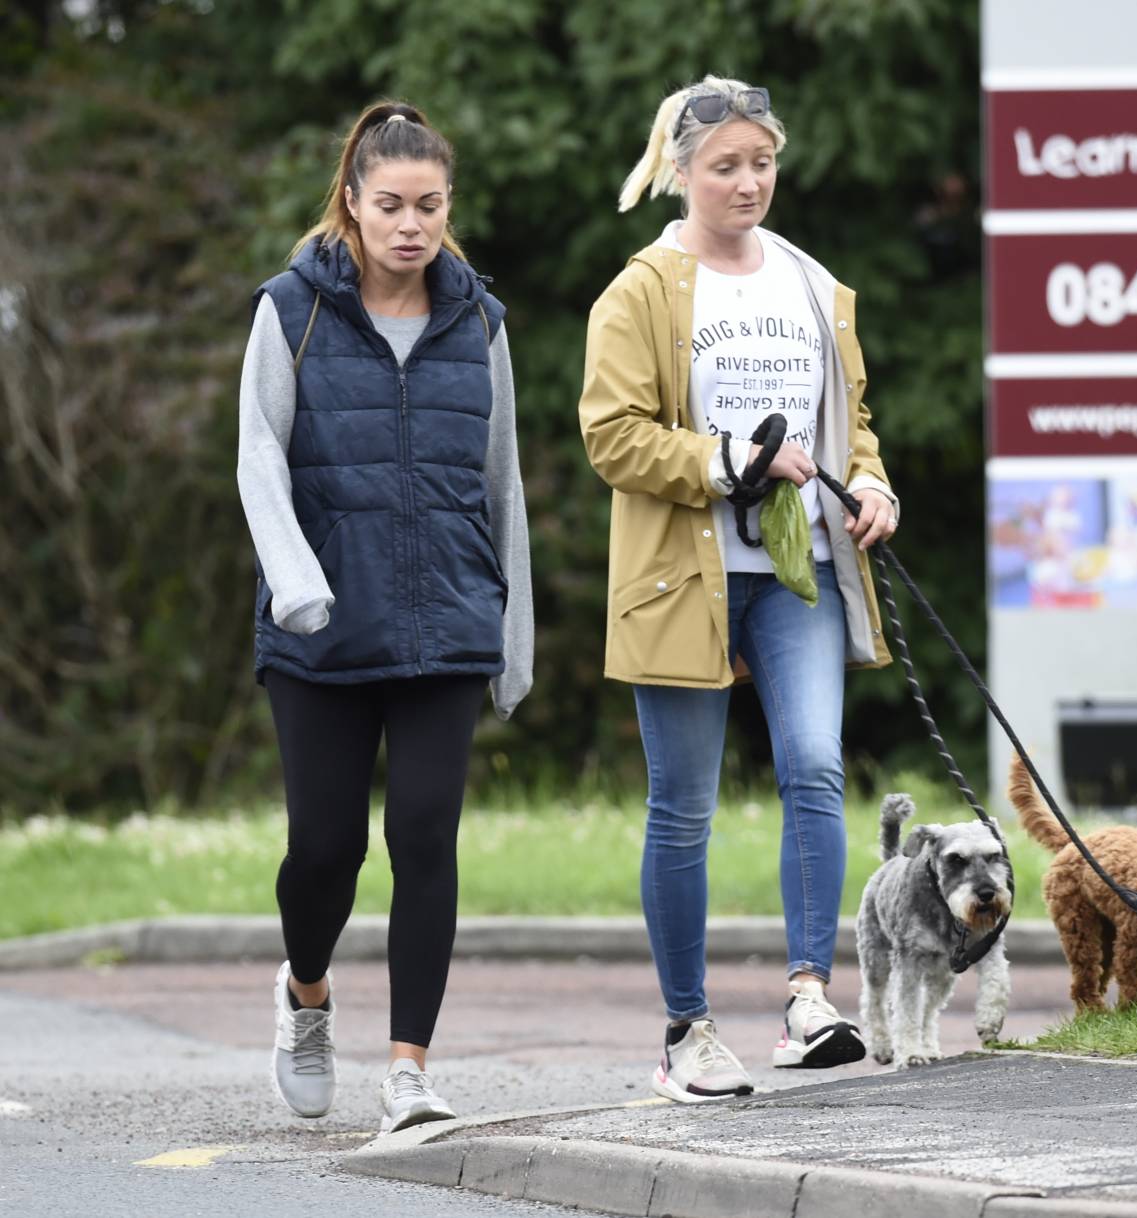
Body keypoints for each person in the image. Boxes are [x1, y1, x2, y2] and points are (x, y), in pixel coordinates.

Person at [578, 76, 898, 1102]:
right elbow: (612, 435)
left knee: (813, 766)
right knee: (683, 810)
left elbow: (849, 418)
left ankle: (809, 1001)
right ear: (680, 172)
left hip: (795, 570)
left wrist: (874, 483)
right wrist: (733, 462)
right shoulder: (640, 289)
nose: (748, 182)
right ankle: (687, 1032)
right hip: (683, 576)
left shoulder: (811, 283)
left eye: (762, 163)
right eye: (726, 166)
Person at [236, 100, 532, 1132]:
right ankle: (306, 993)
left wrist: (514, 631)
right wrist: (294, 580)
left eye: (431, 207)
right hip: (322, 627)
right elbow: (257, 457)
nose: (412, 225)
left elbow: (503, 485)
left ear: (449, 210)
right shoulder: (292, 308)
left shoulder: (478, 322)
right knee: (325, 849)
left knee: (425, 835)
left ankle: (408, 1070)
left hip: (446, 617)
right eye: (392, 205)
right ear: (353, 205)